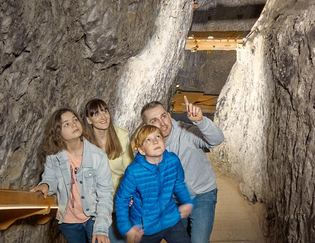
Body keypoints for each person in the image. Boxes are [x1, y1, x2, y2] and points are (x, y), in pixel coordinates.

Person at [140, 97, 224, 243]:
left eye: (163, 116)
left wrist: (201, 121)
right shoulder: (146, 147)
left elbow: (216, 140)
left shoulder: (186, 132)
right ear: (146, 126)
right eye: (154, 121)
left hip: (202, 195)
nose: (162, 123)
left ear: (169, 115)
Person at [32, 108, 113, 243]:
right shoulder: (53, 156)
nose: (74, 124)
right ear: (58, 132)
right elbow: (50, 177)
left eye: (75, 120)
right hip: (68, 220)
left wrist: (101, 228)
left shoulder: (98, 156)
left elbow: (105, 194)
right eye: (67, 124)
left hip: (94, 216)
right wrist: (45, 185)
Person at [114, 124, 194, 243]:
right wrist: (126, 228)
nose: (155, 141)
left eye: (158, 136)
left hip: (170, 218)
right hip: (145, 227)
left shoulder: (173, 161)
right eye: (148, 140)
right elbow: (122, 200)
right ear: (141, 150)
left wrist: (186, 201)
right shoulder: (134, 172)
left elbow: (179, 183)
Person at [82, 99, 133, 243]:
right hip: (97, 203)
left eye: (105, 111)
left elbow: (130, 171)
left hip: (120, 198)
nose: (103, 116)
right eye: (96, 113)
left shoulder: (121, 136)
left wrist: (129, 195)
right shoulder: (83, 143)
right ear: (89, 119)